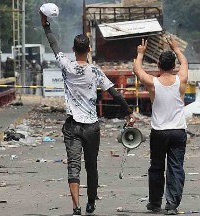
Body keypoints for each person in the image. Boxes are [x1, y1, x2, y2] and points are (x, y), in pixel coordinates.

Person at [39, 5, 135, 216]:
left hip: (73, 126)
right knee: (91, 166)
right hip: (91, 127)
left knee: (73, 166)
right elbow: (115, 94)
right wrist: (128, 112)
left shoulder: (66, 66)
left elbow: (53, 44)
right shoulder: (95, 71)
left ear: (73, 50)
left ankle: (76, 207)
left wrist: (45, 24)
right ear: (89, 49)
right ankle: (91, 202)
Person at [133, 37, 188, 215]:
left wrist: (140, 54)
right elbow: (185, 62)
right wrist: (177, 49)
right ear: (174, 66)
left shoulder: (153, 83)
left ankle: (155, 203)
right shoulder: (181, 79)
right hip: (178, 131)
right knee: (176, 167)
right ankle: (171, 204)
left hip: (159, 131)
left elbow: (137, 70)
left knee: (156, 167)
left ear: (158, 65)